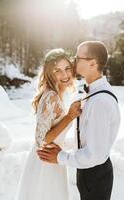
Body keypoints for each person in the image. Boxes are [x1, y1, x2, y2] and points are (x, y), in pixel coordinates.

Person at [38, 41, 121, 200]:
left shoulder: (99, 102)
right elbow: (88, 136)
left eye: (78, 57)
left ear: (92, 63)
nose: (74, 61)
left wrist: (60, 157)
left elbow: (94, 155)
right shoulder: (92, 93)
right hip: (89, 173)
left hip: (94, 174)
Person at [15, 48, 81, 200]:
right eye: (57, 71)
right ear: (49, 73)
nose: (64, 75)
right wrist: (69, 117)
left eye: (67, 69)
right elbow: (41, 140)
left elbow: (57, 134)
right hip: (45, 163)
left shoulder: (59, 95)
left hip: (54, 159)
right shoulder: (51, 97)